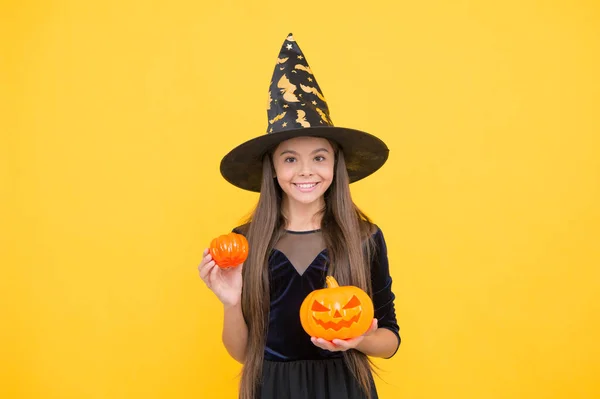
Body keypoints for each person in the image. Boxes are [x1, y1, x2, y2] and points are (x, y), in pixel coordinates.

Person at [198, 33, 400, 399]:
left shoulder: (364, 236)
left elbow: (390, 340)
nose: (306, 171)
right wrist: (230, 302)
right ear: (273, 169)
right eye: (290, 158)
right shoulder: (246, 240)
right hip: (272, 388)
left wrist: (363, 338)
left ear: (336, 165)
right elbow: (243, 353)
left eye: (319, 157)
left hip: (345, 387)